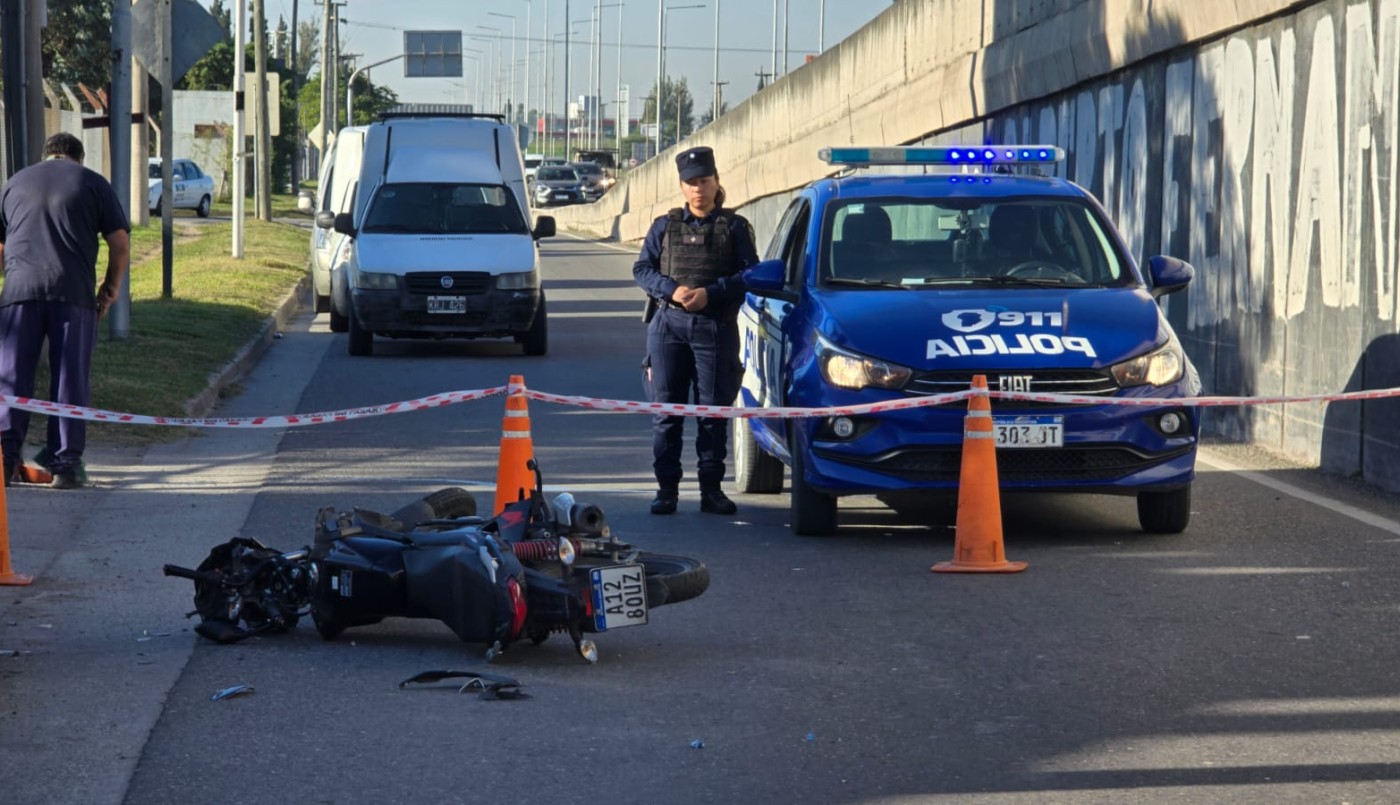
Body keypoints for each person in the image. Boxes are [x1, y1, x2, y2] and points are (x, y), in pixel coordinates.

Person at [0, 132, 130, 489]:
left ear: (47, 156)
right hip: (72, 292)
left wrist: (12, 277)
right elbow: (119, 244)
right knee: (69, 377)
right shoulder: (93, 182)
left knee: (12, 378)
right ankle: (66, 465)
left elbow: (1, 244)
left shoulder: (14, 183)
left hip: (19, 292)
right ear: (78, 158)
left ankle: (4, 461)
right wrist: (110, 289)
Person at [633, 146, 759, 515]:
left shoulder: (734, 228)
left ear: (716, 182)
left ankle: (711, 490)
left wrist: (711, 293)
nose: (697, 189)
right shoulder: (664, 226)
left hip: (714, 327)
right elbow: (642, 270)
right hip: (668, 326)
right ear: (682, 187)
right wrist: (671, 290)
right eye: (690, 183)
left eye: (704, 181)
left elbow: (749, 275)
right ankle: (666, 490)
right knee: (667, 414)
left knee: (713, 413)